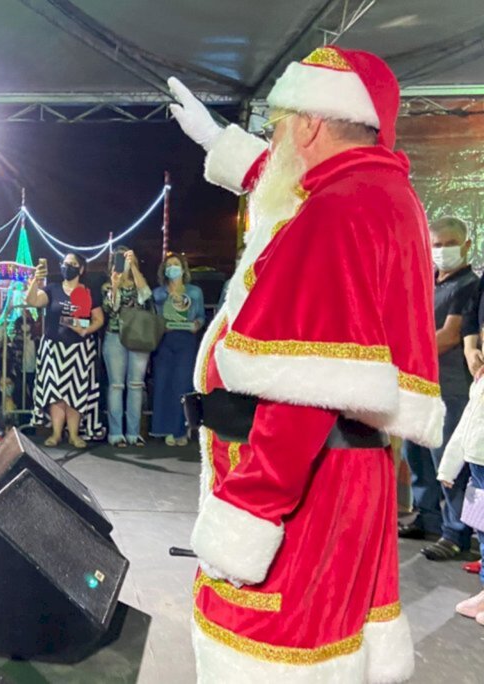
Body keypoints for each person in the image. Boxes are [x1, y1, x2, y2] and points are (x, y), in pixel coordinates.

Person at [168, 46, 440, 681]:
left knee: (276, 655)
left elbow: (304, 390)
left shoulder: (337, 212)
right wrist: (220, 142)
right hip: (345, 472)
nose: (277, 136)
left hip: (302, 483)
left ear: (312, 125)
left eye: (281, 122)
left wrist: (245, 519)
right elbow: (285, 181)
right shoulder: (375, 190)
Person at [399, 216, 477, 560]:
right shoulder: (428, 282)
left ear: (466, 246)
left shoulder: (469, 285)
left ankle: (458, 533)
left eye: (449, 244)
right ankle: (427, 517)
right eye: (436, 245)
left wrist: (403, 350)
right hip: (419, 385)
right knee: (416, 456)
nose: (442, 251)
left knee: (453, 466)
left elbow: (449, 335)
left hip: (452, 387)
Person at [25, 252, 105, 447]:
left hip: (79, 349)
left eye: (72, 263)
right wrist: (36, 279)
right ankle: (56, 433)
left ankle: (74, 434)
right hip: (53, 349)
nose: (67, 266)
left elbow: (99, 319)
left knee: (76, 392)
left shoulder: (87, 291)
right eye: (65, 263)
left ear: (81, 269)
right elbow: (32, 301)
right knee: (55, 392)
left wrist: (86, 330)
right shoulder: (52, 289)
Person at [437, 373, 484, 623]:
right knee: (483, 531)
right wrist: (449, 466)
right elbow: (465, 425)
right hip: (478, 470)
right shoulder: (480, 383)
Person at [150, 253, 205, 446]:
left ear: (183, 269)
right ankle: (164, 429)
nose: (172, 268)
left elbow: (200, 316)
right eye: (168, 265)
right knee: (163, 383)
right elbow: (153, 317)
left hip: (186, 341)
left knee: (183, 384)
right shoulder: (158, 293)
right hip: (164, 341)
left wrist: (196, 324)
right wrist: (161, 325)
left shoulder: (195, 292)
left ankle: (181, 429)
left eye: (175, 265)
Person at [101, 246, 153, 447]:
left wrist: (133, 268)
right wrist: (115, 286)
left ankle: (133, 433)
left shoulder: (139, 282)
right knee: (116, 385)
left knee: (136, 385)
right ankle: (116, 433)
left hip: (139, 337)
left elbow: (146, 296)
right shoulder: (108, 286)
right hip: (115, 336)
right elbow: (111, 308)